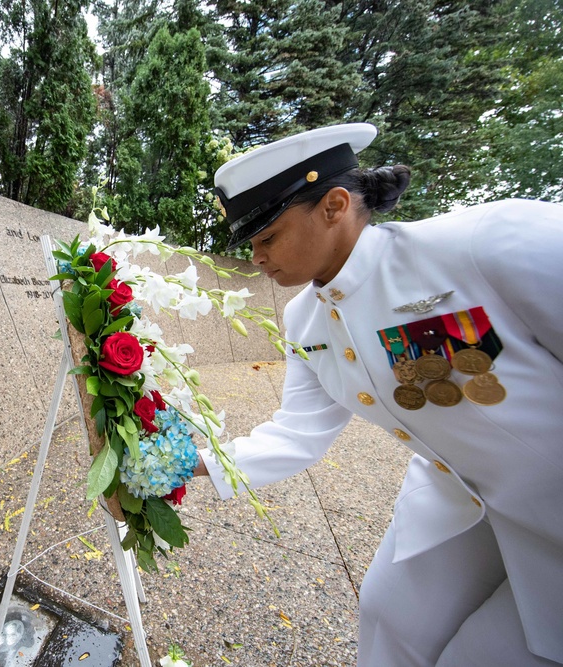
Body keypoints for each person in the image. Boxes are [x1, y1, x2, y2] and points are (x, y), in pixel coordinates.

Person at [194, 123, 563, 666]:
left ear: (335, 205)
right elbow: (298, 432)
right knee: (390, 616)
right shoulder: (303, 320)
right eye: (251, 243)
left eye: (267, 237)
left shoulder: (485, 242)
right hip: (456, 497)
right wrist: (189, 463)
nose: (256, 258)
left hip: (551, 500)